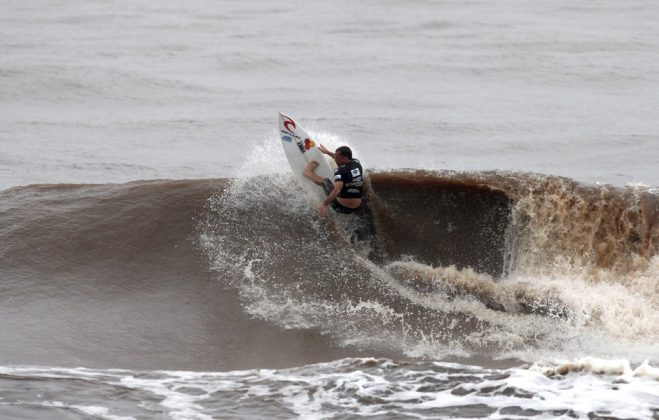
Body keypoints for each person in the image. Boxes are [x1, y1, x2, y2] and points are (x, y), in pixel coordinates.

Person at [303, 145, 364, 217]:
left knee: (326, 181)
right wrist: (327, 152)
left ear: (344, 158)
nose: (335, 159)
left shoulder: (340, 171)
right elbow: (339, 158)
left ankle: (307, 172)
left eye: (337, 158)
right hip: (355, 208)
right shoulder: (357, 163)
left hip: (340, 206)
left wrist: (324, 204)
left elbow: (336, 191)